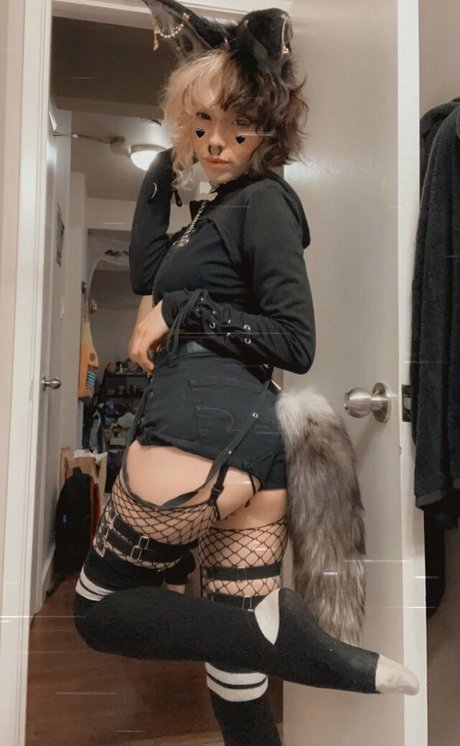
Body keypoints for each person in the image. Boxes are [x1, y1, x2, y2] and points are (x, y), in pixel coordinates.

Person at [73, 4, 419, 745]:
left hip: (203, 429)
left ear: (270, 130)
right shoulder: (215, 209)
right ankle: (273, 638)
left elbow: (296, 342)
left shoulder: (264, 205)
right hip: (250, 454)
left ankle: (279, 637)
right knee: (236, 685)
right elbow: (146, 269)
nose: (217, 143)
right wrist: (170, 160)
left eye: (238, 127)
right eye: (202, 125)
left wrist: (185, 311)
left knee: (98, 610)